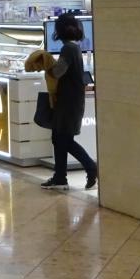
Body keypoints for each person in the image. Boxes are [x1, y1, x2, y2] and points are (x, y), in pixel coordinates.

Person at [40, 13, 99, 191]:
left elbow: (58, 72)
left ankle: (90, 167)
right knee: (60, 138)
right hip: (71, 101)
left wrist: (45, 64)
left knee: (62, 139)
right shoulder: (75, 48)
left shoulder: (67, 49)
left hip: (68, 102)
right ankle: (60, 177)